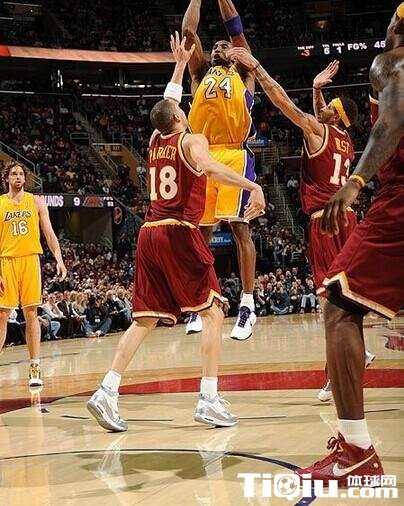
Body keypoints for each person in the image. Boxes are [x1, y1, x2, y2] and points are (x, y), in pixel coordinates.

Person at [87, 33, 265, 432]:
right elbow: (213, 168)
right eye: (182, 109)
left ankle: (107, 390)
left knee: (144, 319)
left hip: (149, 232)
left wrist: (181, 65)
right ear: (181, 118)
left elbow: (167, 104)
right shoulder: (192, 140)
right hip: (179, 231)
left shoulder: (154, 141)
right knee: (214, 311)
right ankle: (209, 398)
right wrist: (251, 185)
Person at [226, 49, 375, 401]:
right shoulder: (346, 141)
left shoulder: (318, 129)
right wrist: (316, 88)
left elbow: (285, 106)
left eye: (329, 105)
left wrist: (258, 68)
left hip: (326, 222)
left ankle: (334, 374)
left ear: (335, 116)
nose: (323, 107)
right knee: (344, 296)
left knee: (328, 303)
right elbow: (321, 121)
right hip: (348, 220)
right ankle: (359, 352)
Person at [297, 5, 404, 485]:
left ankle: (356, 450)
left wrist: (355, 182)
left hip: (395, 203)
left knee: (339, 305)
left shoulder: (392, 61)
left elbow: (391, 120)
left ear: (397, 25)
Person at [182, 0, 259, 340]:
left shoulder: (244, 73)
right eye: (214, 46)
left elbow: (237, 30)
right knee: (202, 234)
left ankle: (247, 304)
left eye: (223, 46)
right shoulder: (199, 74)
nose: (217, 48)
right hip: (202, 154)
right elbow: (188, 32)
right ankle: (201, 300)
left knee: (240, 229)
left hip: (233, 154)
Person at [0, 161, 66, 387]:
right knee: (2, 315)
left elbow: (49, 234)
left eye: (21, 173)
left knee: (31, 313)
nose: (18, 177)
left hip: (30, 260)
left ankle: (35, 366)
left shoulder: (36, 201)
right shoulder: (0, 203)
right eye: (14, 174)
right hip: (5, 261)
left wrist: (59, 258)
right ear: (7, 178)